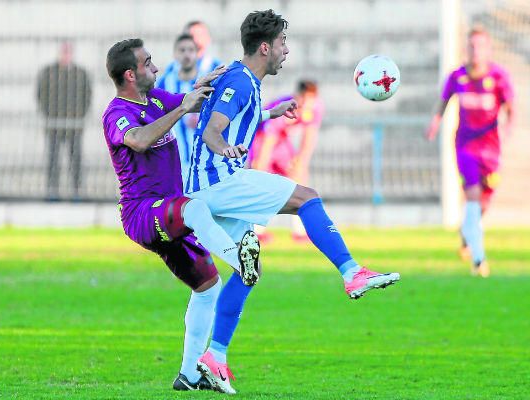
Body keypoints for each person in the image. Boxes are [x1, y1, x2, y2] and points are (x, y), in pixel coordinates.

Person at [184, 10, 400, 394]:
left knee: (249, 268)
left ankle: (214, 357)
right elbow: (213, 130)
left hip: (209, 186)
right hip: (218, 181)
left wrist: (272, 113)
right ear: (265, 47)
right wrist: (225, 148)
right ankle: (352, 272)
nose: (286, 50)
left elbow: (238, 116)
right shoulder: (240, 80)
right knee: (307, 197)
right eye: (282, 42)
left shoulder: (246, 80)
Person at [101, 38, 261, 392]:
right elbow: (139, 140)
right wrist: (181, 109)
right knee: (195, 207)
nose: (156, 67)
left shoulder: (156, 99)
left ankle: (189, 375)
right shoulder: (116, 113)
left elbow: (196, 100)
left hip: (172, 215)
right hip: (143, 213)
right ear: (130, 74)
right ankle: (240, 259)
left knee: (208, 288)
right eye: (148, 62)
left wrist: (220, 84)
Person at [425, 26, 515, 278]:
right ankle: (479, 259)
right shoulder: (458, 76)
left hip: (491, 148)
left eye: (480, 46)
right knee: (473, 196)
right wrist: (435, 122)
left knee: (484, 202)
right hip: (465, 146)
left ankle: (467, 232)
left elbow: (511, 106)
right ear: (467, 48)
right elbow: (444, 101)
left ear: (488, 49)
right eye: (472, 46)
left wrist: (509, 127)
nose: (476, 50)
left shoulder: (499, 76)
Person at [249, 80, 325, 243]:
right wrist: (261, 165)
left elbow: (309, 136)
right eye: (306, 99)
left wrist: (302, 162)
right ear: (299, 96)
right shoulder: (285, 106)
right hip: (262, 141)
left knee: (300, 180)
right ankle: (256, 231)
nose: (309, 104)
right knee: (262, 185)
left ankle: (300, 231)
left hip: (282, 143)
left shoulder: (316, 107)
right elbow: (269, 138)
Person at [37, 41, 92, 201]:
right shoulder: (49, 72)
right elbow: (41, 94)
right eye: (64, 52)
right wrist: (50, 115)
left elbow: (87, 96)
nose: (66, 55)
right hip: (54, 125)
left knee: (76, 160)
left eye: (68, 52)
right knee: (53, 160)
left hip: (74, 126)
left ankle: (76, 191)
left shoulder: (81, 73)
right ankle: (52, 191)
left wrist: (79, 116)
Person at [157, 34, 209, 184]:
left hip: (203, 161)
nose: (187, 54)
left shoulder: (207, 81)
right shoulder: (165, 82)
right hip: (174, 161)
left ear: (197, 54)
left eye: (191, 50)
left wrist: (204, 119)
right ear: (175, 54)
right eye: (182, 50)